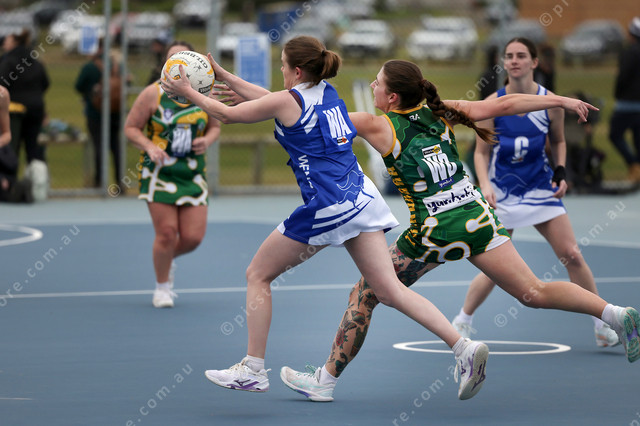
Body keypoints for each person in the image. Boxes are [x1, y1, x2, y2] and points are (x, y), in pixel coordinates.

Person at [276, 59, 640, 402]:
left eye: (378, 82)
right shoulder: (441, 111)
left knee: (365, 294)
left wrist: (251, 98)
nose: (372, 85)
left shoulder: (378, 125)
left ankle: (326, 381)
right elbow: (505, 104)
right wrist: (559, 100)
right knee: (534, 291)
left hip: (434, 230)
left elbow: (300, 113)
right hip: (477, 218)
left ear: (392, 97)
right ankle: (614, 314)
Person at [161, 36, 492, 401]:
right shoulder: (327, 92)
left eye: (283, 66)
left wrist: (186, 91)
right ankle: (462, 347)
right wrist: (224, 76)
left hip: (327, 205)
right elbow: (274, 101)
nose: (281, 71)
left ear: (296, 70)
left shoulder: (288, 101)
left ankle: (253, 369)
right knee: (389, 291)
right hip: (361, 197)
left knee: (258, 274)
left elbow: (231, 113)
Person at [450, 37, 620, 348]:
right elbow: (481, 153)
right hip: (503, 192)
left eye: (520, 55)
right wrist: (485, 184)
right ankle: (463, 319)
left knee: (572, 255)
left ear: (534, 62)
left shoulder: (550, 102)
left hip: (541, 188)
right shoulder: (493, 103)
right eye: (509, 56)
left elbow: (559, 140)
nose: (514, 61)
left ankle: (602, 325)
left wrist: (561, 170)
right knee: (497, 267)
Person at [124, 41, 221, 308]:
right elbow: (131, 128)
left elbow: (215, 127)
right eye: (171, 59)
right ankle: (162, 287)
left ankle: (166, 260)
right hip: (160, 172)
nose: (177, 65)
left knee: (192, 238)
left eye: (182, 59)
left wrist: (207, 140)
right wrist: (149, 146)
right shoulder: (152, 94)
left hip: (192, 172)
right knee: (166, 233)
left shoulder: (205, 93)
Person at [74, 39, 122, 188]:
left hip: (95, 114)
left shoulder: (90, 67)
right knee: (116, 147)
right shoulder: (116, 65)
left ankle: (99, 182)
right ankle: (120, 182)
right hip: (115, 113)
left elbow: (78, 86)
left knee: (99, 147)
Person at [0, 28, 49, 166]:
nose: (4, 43)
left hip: (14, 112)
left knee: (11, 149)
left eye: (7, 41)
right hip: (36, 109)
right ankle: (36, 176)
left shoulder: (8, 62)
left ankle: (11, 177)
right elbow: (46, 83)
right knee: (33, 148)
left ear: (15, 42)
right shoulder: (35, 61)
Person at [609, 16, 640, 183]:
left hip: (627, 104)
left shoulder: (629, 52)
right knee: (638, 139)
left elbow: (623, 77)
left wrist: (617, 94)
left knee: (615, 135)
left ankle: (633, 164)